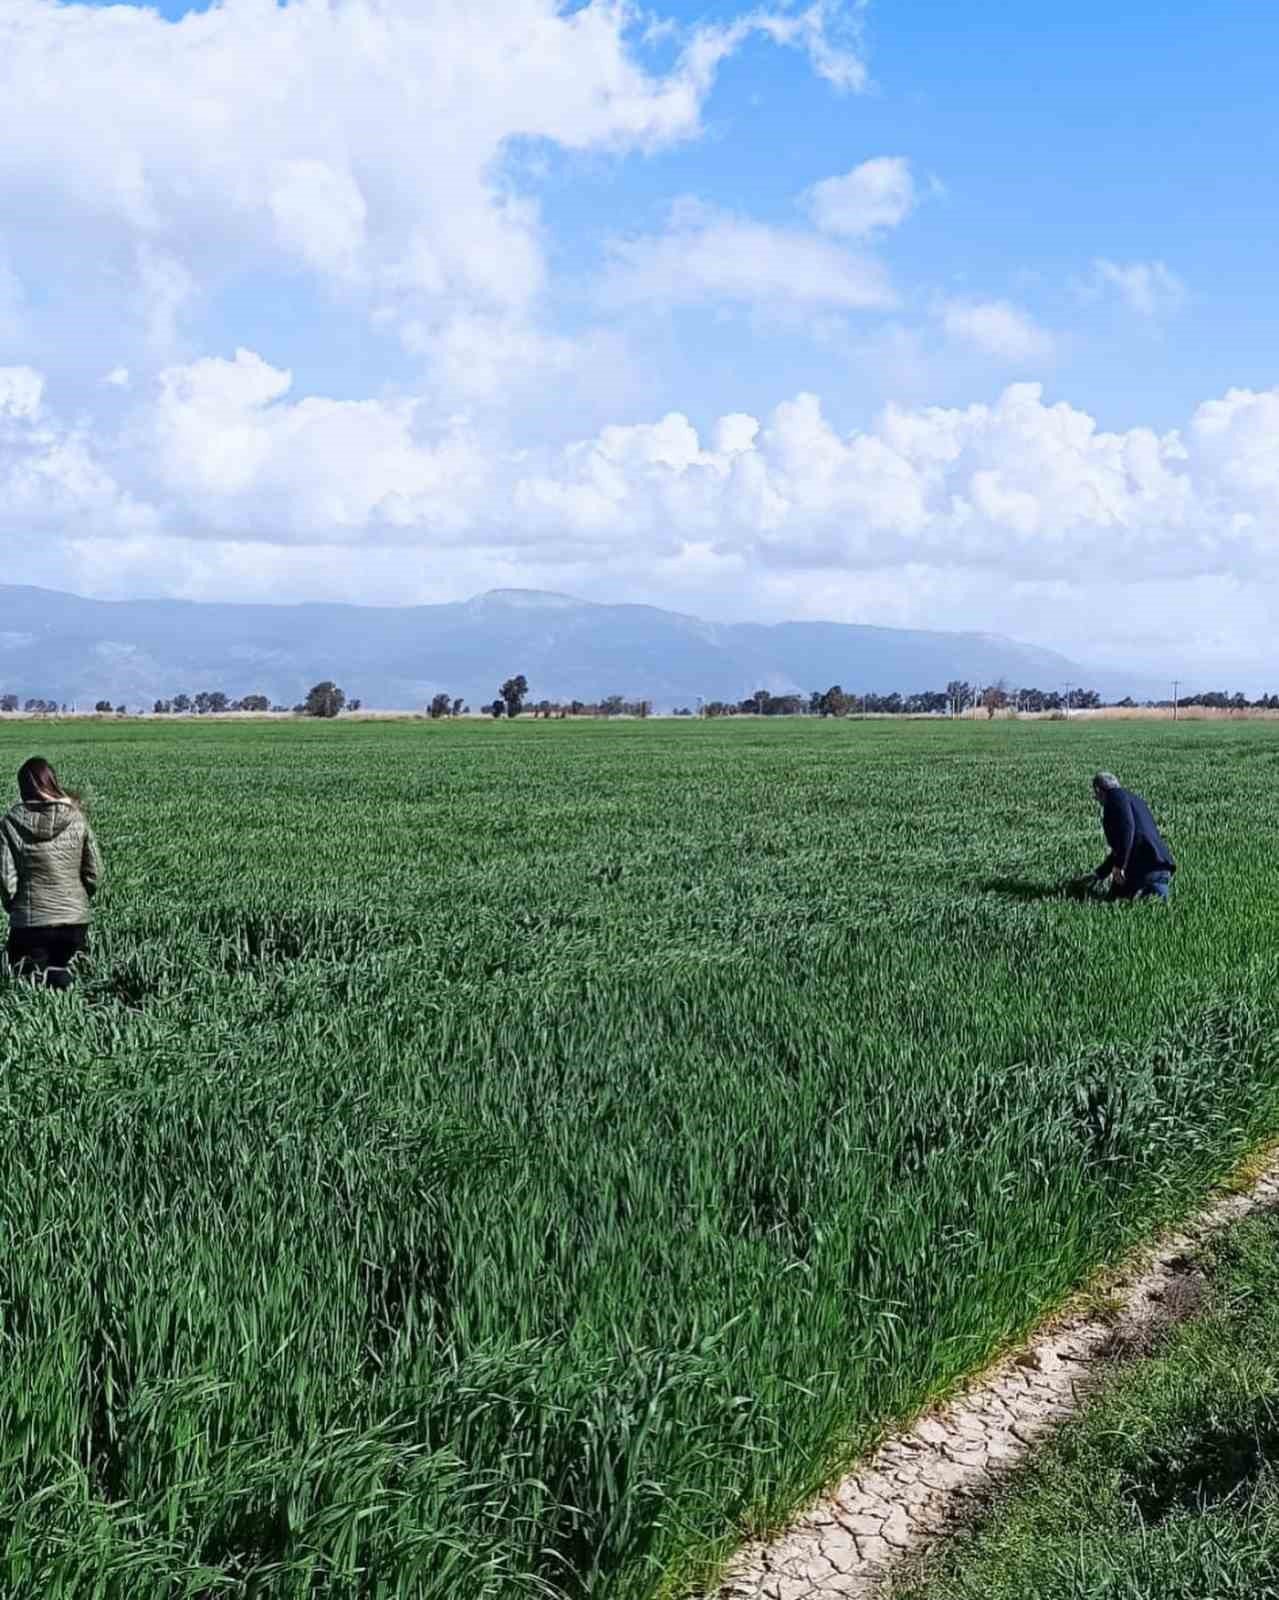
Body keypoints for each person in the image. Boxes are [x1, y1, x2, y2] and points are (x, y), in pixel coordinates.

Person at [0, 757, 102, 989]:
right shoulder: (77, 818)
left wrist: (14, 907)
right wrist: (78, 900)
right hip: (74, 922)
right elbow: (94, 872)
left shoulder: (9, 823)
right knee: (57, 970)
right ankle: (71, 1009)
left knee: (23, 978)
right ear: (53, 783)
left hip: (31, 922)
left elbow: (7, 878)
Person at [1090, 771, 1175, 901]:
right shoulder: (1133, 799)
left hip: (1145, 871)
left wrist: (1120, 866)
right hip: (1160, 868)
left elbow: (1127, 830)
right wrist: (1098, 874)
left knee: (1113, 905)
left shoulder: (1114, 798)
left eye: (1096, 797)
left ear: (1098, 790)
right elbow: (1123, 846)